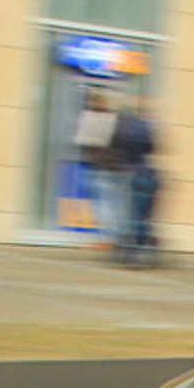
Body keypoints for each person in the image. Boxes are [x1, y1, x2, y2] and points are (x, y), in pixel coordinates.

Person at [108, 97, 161, 267]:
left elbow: (113, 147)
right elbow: (152, 148)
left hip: (127, 174)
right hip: (145, 174)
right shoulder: (146, 127)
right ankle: (140, 250)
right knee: (143, 217)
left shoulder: (122, 128)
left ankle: (127, 250)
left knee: (127, 215)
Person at [72, 88, 120, 245]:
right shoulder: (113, 118)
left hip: (96, 165)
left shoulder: (89, 117)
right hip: (111, 166)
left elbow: (81, 140)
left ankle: (105, 238)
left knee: (100, 203)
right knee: (109, 203)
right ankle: (110, 237)